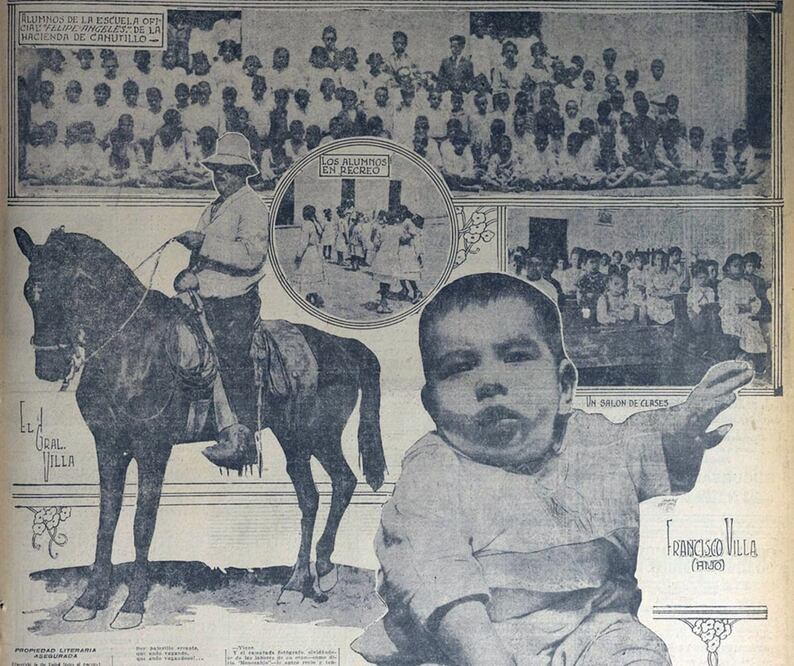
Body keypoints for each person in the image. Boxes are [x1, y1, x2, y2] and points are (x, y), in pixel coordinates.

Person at [352, 272, 752, 666]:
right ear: (432, 405)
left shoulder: (592, 441)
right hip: (467, 637)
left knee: (635, 652)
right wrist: (484, 654)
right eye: (460, 367)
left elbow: (642, 445)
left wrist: (686, 421)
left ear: (564, 387)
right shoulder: (434, 471)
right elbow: (434, 573)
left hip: (593, 626)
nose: (489, 381)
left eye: (515, 357)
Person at [174, 132, 269, 470]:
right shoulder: (214, 207)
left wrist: (204, 242)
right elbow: (204, 258)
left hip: (234, 300)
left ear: (243, 173)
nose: (220, 176)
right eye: (217, 170)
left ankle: (240, 435)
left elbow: (250, 256)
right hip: (204, 295)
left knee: (228, 350)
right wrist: (189, 277)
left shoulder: (252, 207)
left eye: (227, 170)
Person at [718, 254, 767, 370]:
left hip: (747, 314)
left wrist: (749, 307)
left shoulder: (747, 284)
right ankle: (744, 359)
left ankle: (756, 361)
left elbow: (756, 301)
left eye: (741, 266)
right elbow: (725, 303)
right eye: (735, 266)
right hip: (731, 316)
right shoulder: (724, 284)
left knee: (755, 328)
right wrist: (741, 307)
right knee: (746, 328)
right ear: (728, 268)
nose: (739, 268)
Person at [293, 205, 326, 307]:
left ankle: (309, 300)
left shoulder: (306, 225)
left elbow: (303, 242)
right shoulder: (315, 224)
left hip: (307, 253)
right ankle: (315, 298)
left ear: (305, 214)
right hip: (315, 253)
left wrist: (298, 255)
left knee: (306, 276)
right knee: (313, 277)